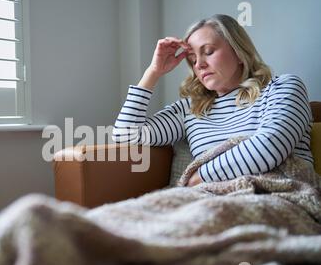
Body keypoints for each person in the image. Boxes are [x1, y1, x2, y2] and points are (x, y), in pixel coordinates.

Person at [112, 14, 313, 187]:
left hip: (277, 193)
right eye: (192, 59)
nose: (199, 64)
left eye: (208, 52)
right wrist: (153, 72)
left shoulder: (283, 88)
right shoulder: (191, 109)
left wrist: (199, 178)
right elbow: (125, 135)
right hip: (210, 199)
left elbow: (272, 146)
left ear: (239, 52)